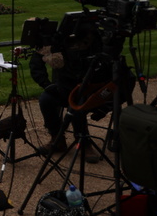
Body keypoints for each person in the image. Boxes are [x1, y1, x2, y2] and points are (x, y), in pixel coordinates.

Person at [29, 22, 104, 162]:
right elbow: (36, 63)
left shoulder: (94, 44)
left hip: (88, 89)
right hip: (63, 87)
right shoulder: (60, 42)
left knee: (77, 104)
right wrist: (47, 85)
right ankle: (57, 139)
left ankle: (84, 142)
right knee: (46, 99)